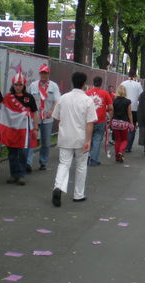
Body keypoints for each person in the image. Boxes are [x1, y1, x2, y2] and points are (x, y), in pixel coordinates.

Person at [51, 72, 98, 207]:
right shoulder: (87, 100)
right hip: (81, 138)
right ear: (84, 84)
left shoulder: (63, 98)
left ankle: (58, 186)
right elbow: (90, 123)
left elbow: (57, 116)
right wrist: (88, 141)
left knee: (64, 164)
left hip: (65, 137)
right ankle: (78, 194)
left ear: (72, 82)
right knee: (81, 166)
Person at [0, 69, 39, 186]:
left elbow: (34, 113)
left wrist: (36, 128)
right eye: (16, 84)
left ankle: (21, 175)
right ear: (13, 84)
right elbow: (1, 110)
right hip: (12, 130)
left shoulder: (29, 97)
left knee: (23, 152)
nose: (18, 87)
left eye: (20, 84)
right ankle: (13, 175)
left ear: (24, 85)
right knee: (12, 153)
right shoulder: (7, 97)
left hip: (25, 131)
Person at [27, 64, 61, 171]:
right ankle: (28, 163)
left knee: (45, 142)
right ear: (39, 73)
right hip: (35, 117)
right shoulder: (33, 85)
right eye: (42, 73)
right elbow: (27, 99)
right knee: (31, 140)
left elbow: (57, 101)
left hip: (47, 117)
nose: (43, 75)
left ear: (48, 74)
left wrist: (52, 111)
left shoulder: (53, 86)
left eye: (45, 73)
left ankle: (43, 162)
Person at [86, 76, 113, 166]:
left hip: (88, 120)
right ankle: (94, 159)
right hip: (100, 120)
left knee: (88, 139)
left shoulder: (87, 93)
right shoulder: (105, 94)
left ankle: (87, 157)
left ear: (93, 82)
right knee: (97, 140)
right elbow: (111, 107)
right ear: (101, 83)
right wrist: (110, 118)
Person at [120, 70, 143, 153]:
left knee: (123, 126)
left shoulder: (123, 83)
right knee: (132, 126)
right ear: (135, 76)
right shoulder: (138, 85)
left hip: (123, 107)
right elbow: (141, 96)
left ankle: (122, 143)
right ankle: (128, 146)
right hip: (134, 108)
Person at [111, 84, 133, 162]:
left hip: (115, 122)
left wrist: (110, 121)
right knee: (124, 140)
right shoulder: (128, 101)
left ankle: (117, 157)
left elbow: (112, 112)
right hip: (124, 123)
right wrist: (131, 122)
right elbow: (129, 113)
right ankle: (121, 151)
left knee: (117, 140)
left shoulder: (114, 101)